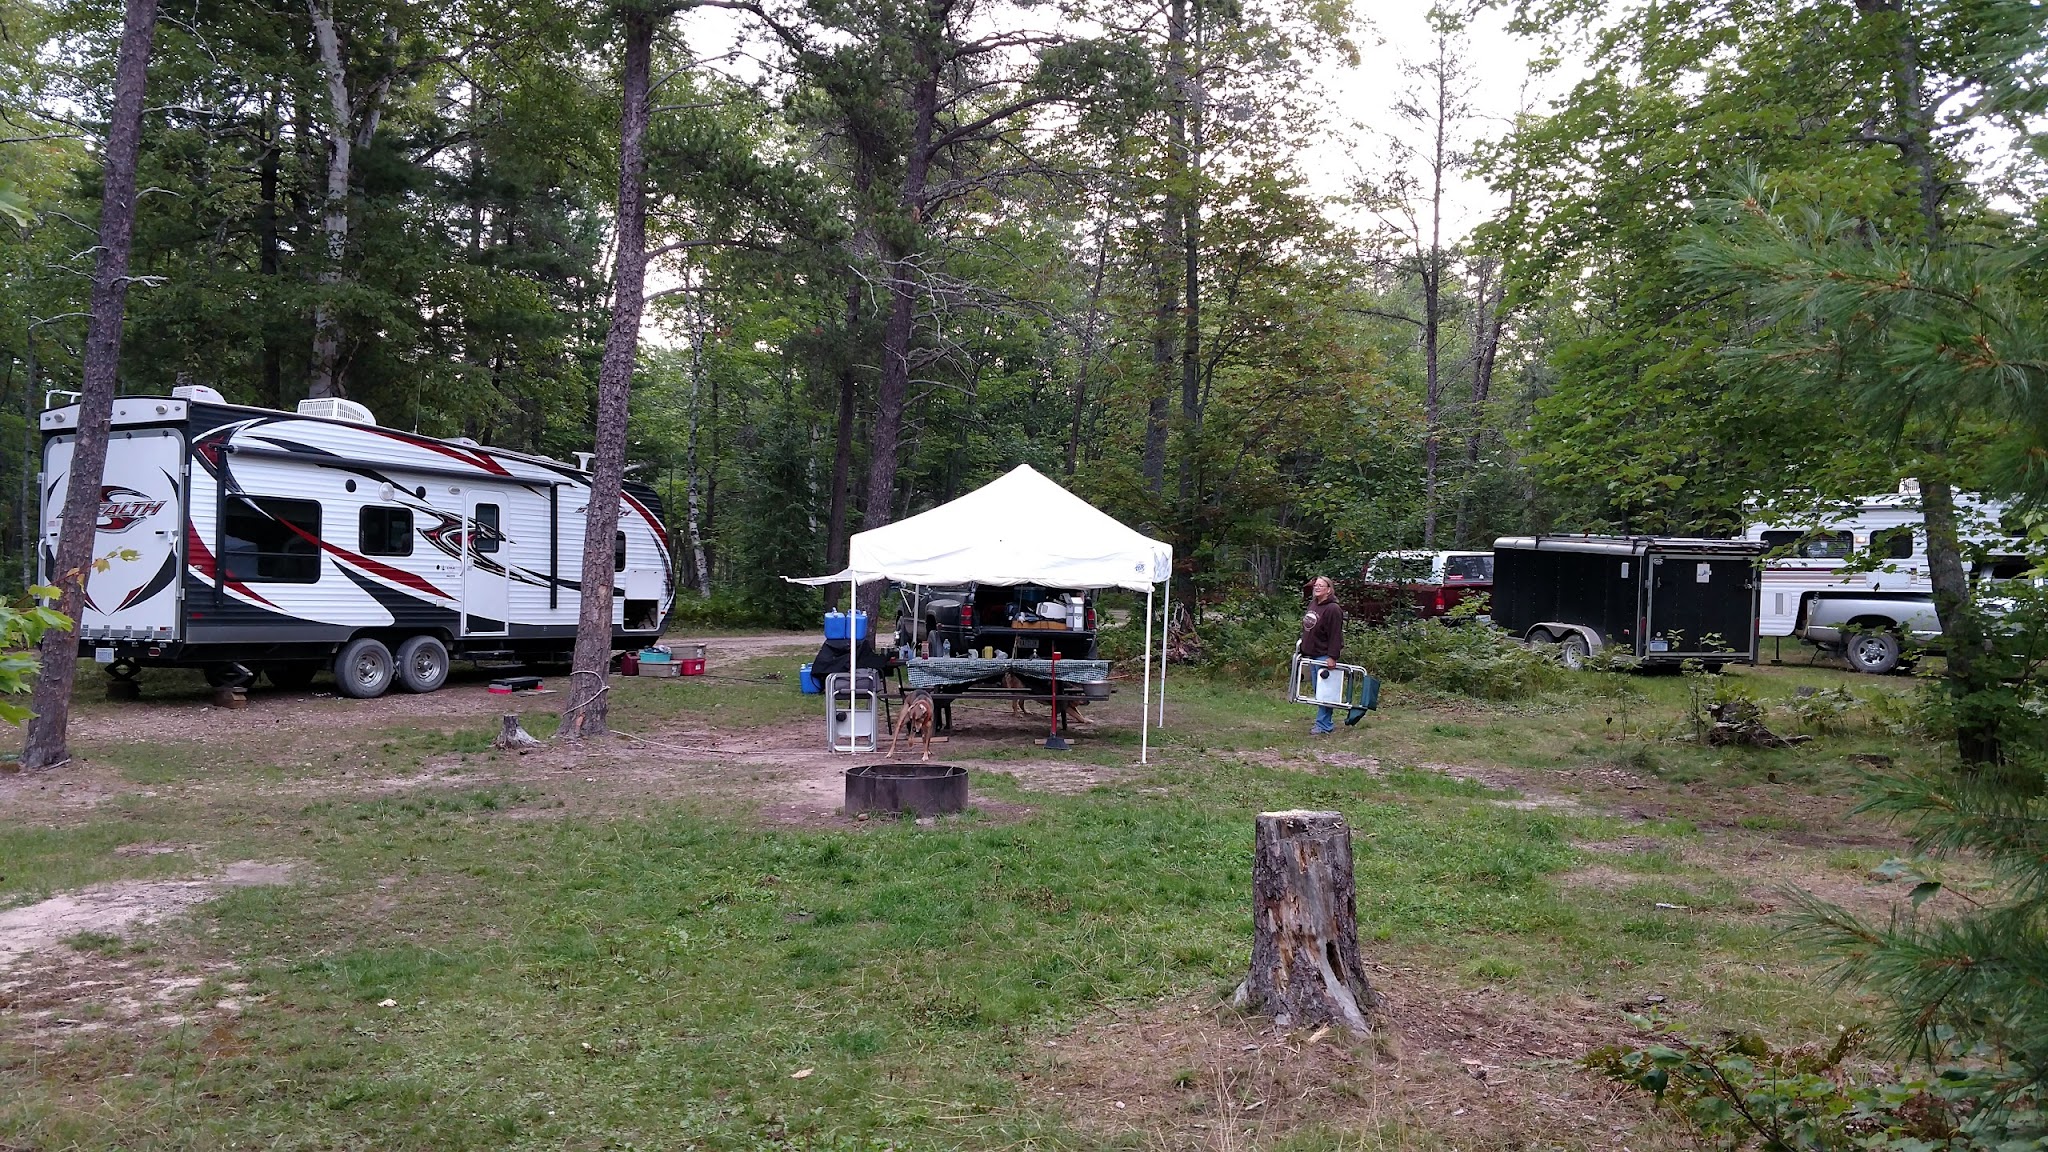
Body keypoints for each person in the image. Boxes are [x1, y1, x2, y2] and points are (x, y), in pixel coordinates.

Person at [1299, 575, 1345, 735]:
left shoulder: (1333, 609)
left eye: (1321, 585)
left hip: (1324, 655)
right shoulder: (1313, 604)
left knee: (1325, 692)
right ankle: (1323, 723)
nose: (1317, 588)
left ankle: (1324, 725)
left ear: (1329, 589)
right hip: (1312, 653)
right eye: (1315, 585)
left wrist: (1332, 656)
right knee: (1319, 691)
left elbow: (1335, 635)